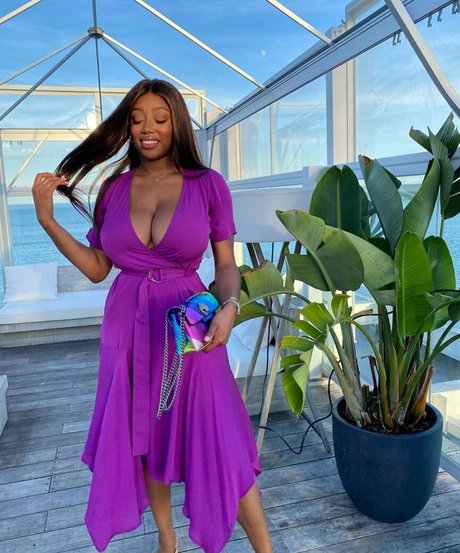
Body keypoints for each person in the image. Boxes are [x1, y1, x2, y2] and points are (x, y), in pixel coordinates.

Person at [32, 79, 272, 553]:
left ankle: (265, 548)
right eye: (138, 119)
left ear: (176, 123)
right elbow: (98, 268)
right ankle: (167, 540)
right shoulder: (113, 189)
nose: (148, 128)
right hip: (126, 326)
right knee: (142, 433)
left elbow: (226, 265)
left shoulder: (207, 184)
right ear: (127, 126)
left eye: (160, 119)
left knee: (220, 438)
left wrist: (230, 307)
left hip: (190, 324)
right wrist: (47, 221)